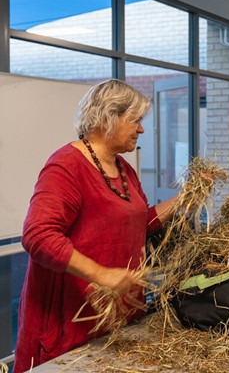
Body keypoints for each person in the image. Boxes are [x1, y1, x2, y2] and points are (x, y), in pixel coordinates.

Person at [13, 79, 195, 372]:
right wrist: (101, 274)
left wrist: (186, 198)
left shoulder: (125, 170)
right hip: (71, 320)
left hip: (115, 320)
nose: (141, 129)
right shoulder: (66, 166)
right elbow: (38, 235)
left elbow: (138, 223)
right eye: (135, 120)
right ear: (108, 118)